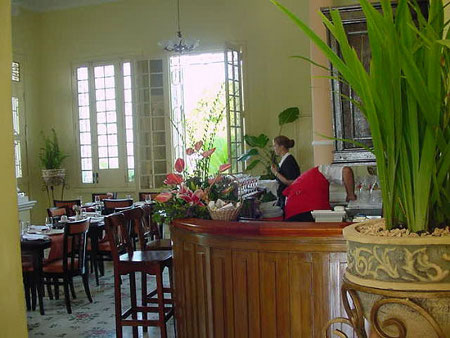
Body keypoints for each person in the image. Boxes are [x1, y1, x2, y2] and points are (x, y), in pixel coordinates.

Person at [283, 165, 357, 222]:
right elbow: (347, 171)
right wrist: (350, 195)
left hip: (291, 215)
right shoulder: (323, 170)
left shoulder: (307, 177)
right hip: (306, 213)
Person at [270, 135, 301, 210]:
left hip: (288, 197)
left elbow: (290, 182)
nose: (274, 148)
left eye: (275, 146)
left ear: (282, 147)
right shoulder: (285, 159)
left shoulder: (288, 161)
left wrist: (276, 173)